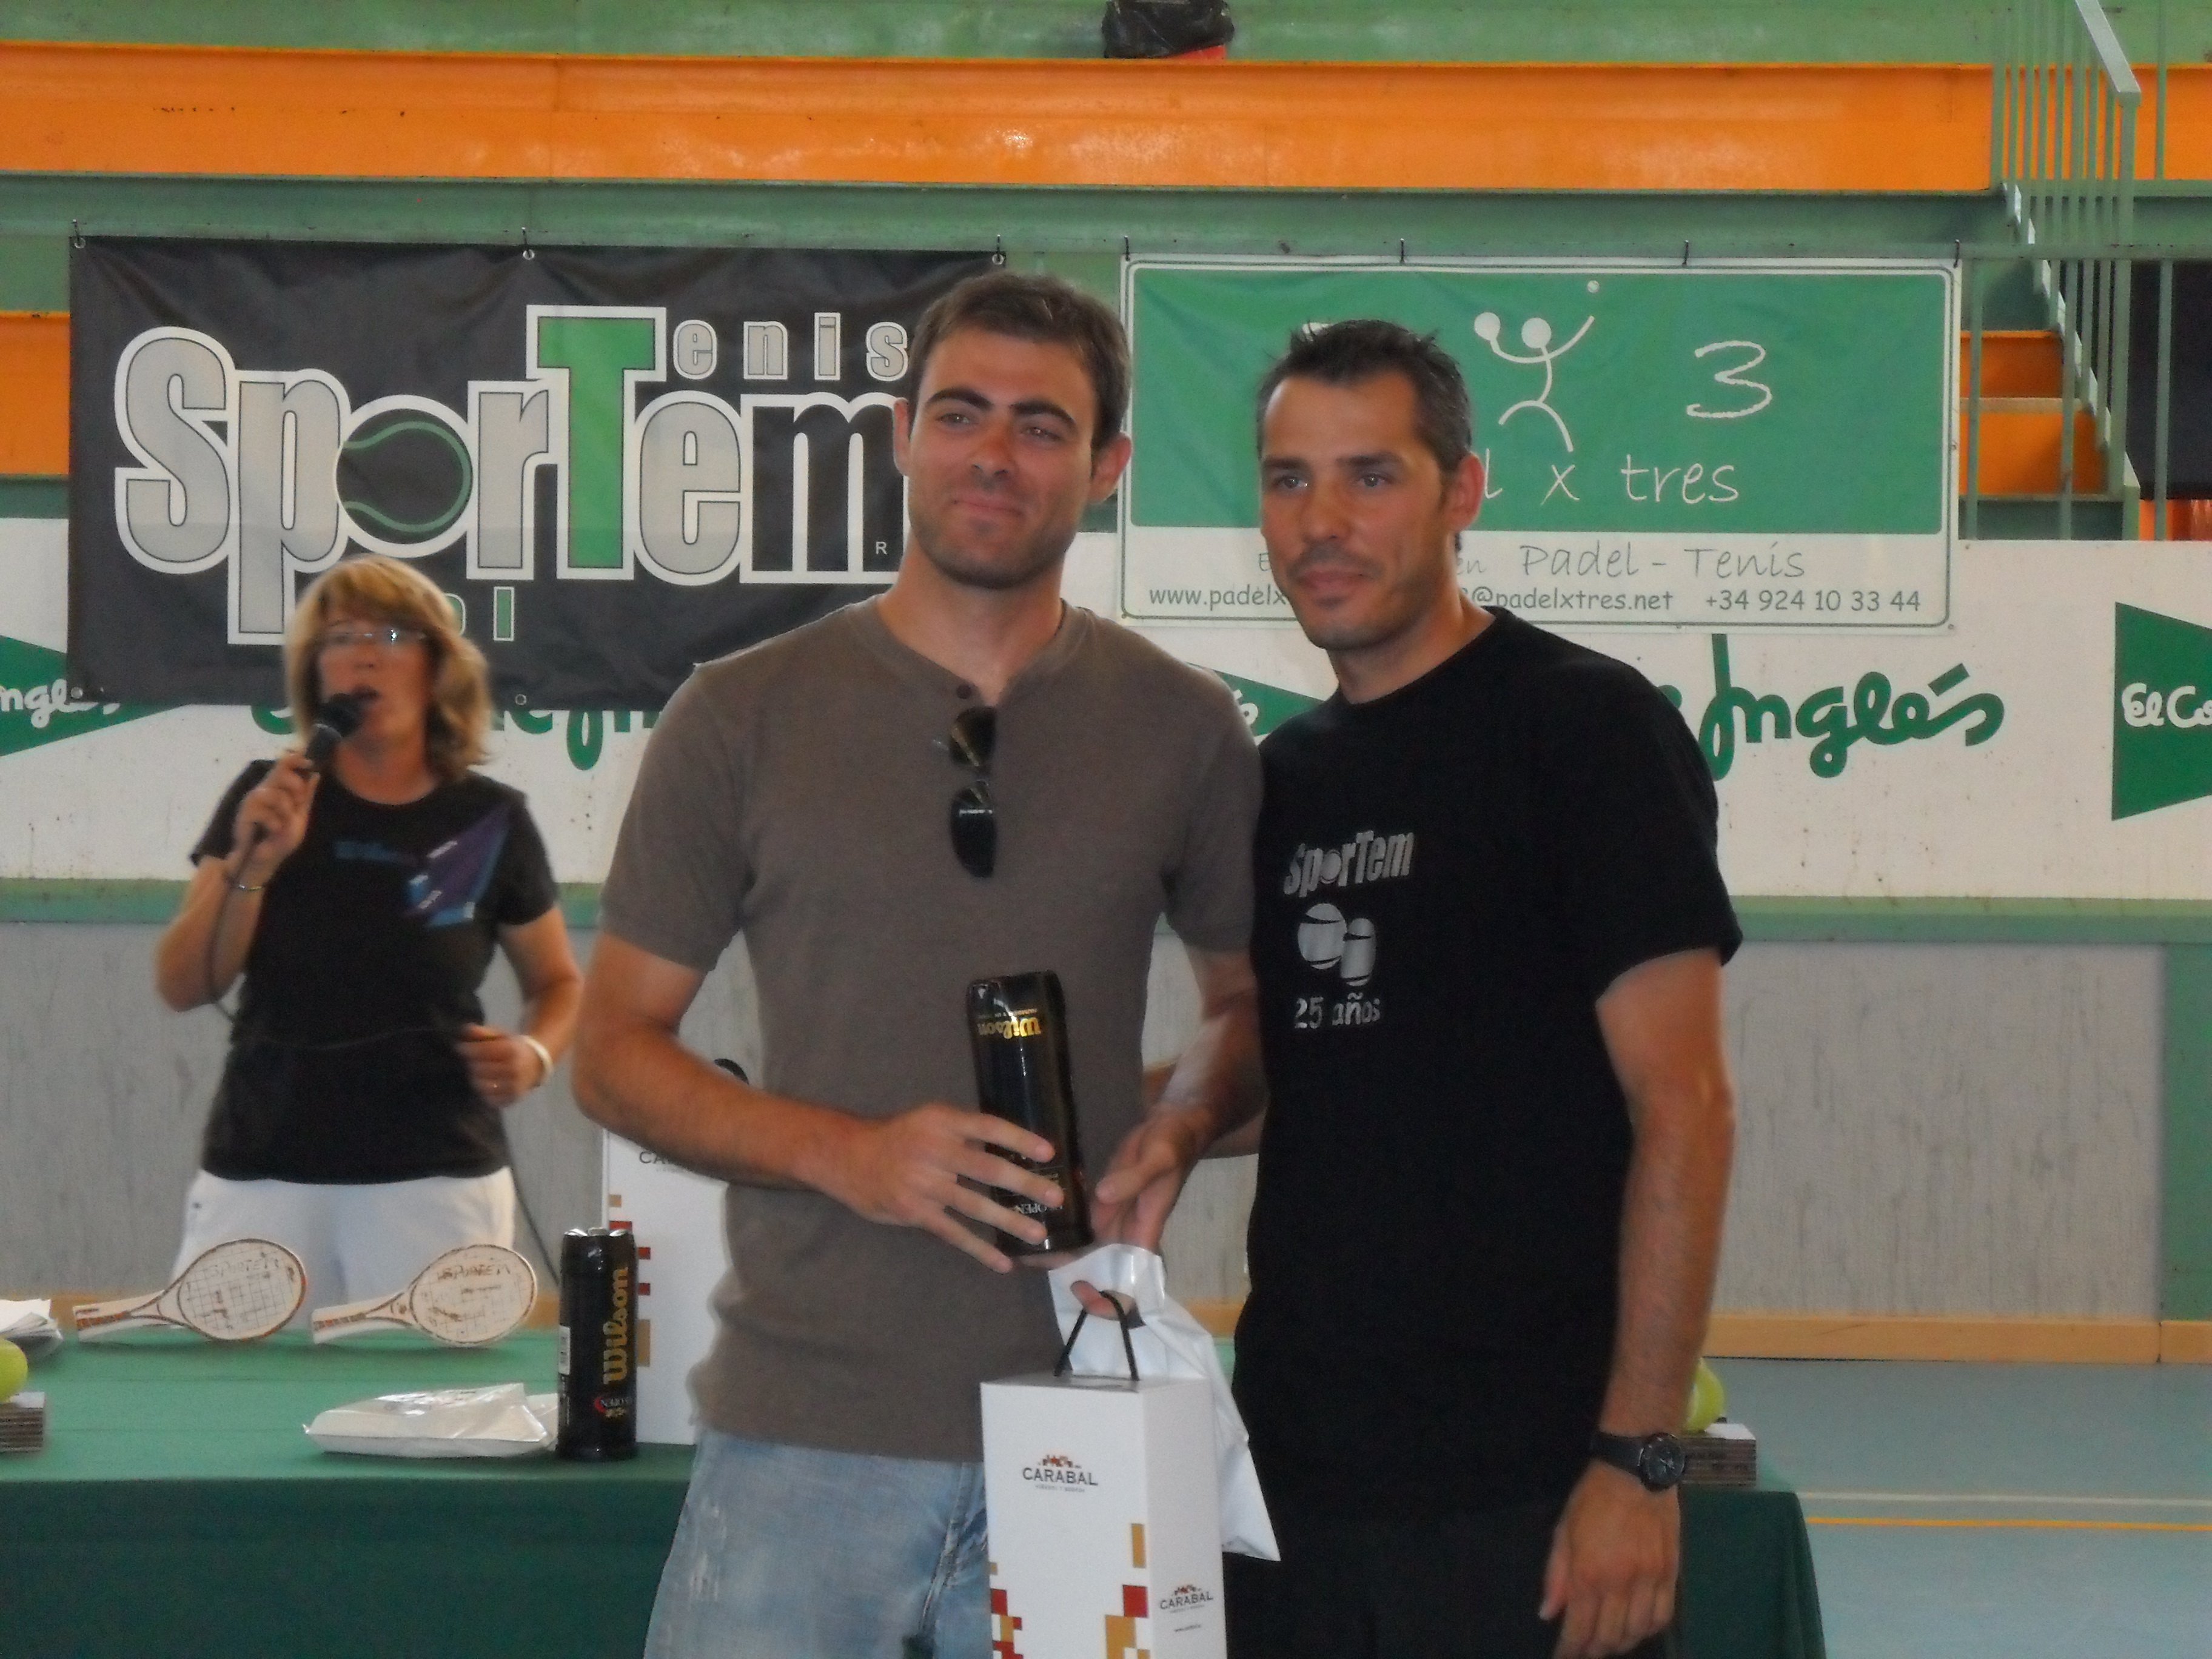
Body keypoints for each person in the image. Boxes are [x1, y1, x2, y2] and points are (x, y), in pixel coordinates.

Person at [571, 271, 1264, 1659]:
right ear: (900, 435)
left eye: (1041, 425)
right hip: (804, 1432)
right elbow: (613, 1053)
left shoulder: (1186, 730)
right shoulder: (739, 716)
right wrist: (850, 1154)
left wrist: (1181, 1121)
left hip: (1089, 1427)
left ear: (1108, 467)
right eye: (960, 413)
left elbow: (1246, 1014)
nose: (993, 453)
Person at [1226, 320, 1741, 1659]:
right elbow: (1314, 1062)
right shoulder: (1286, 779)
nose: (1321, 522)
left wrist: (1639, 1460)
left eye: (1370, 476)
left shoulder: (1585, 727)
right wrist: (1156, 1128)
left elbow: (1685, 1105)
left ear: (1461, 490)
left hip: (1529, 1492)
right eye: (1288, 480)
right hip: (1296, 1482)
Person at [153, 554, 581, 1310]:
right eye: (340, 638)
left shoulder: (491, 819)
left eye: (390, 635)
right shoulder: (266, 798)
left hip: (436, 1176)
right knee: (229, 1376)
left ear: (437, 667)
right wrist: (256, 864)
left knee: (434, 1385)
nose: (364, 655)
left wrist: (536, 1054)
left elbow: (559, 983)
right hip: (264, 1169)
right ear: (315, 674)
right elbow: (184, 984)